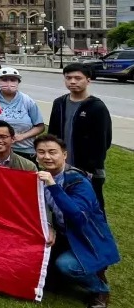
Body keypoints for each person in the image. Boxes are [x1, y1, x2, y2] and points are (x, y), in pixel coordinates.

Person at [36, 134, 120, 308]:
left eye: (52, 152)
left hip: (86, 237)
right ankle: (80, 270)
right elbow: (44, 209)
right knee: (46, 278)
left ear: (64, 155)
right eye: (41, 152)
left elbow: (77, 216)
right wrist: (50, 226)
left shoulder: (78, 181)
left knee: (66, 266)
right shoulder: (41, 178)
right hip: (63, 234)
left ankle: (99, 287)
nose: (47, 157)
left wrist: (53, 186)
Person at [48, 63, 112, 212]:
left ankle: (96, 234)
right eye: (68, 78)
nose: (72, 82)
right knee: (61, 204)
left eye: (78, 78)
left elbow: (104, 141)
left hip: (88, 170)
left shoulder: (96, 107)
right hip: (61, 165)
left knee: (91, 206)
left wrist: (92, 166)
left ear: (88, 81)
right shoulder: (59, 103)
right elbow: (52, 134)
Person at [0, 67, 44, 163]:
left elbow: (40, 126)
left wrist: (22, 136)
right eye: (4, 80)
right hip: (0, 150)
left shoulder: (27, 101)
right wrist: (0, 134)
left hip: (24, 150)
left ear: (18, 82)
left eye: (13, 80)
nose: (9, 83)